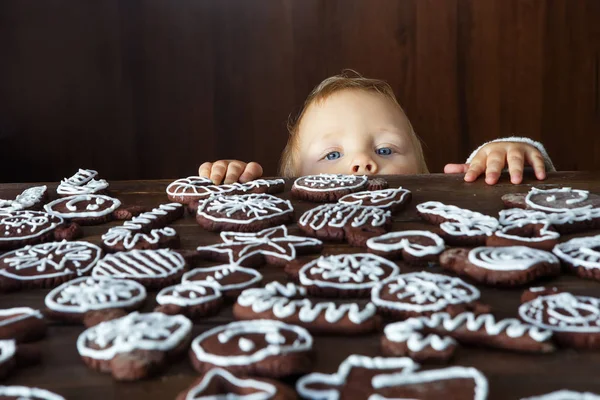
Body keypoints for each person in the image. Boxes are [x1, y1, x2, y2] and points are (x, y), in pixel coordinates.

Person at [198, 70, 554, 186]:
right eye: (333, 154)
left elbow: (498, 198)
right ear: (292, 182)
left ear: (422, 171)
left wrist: (502, 157)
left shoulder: (436, 209)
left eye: (385, 150)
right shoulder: (285, 220)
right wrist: (231, 184)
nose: (362, 163)